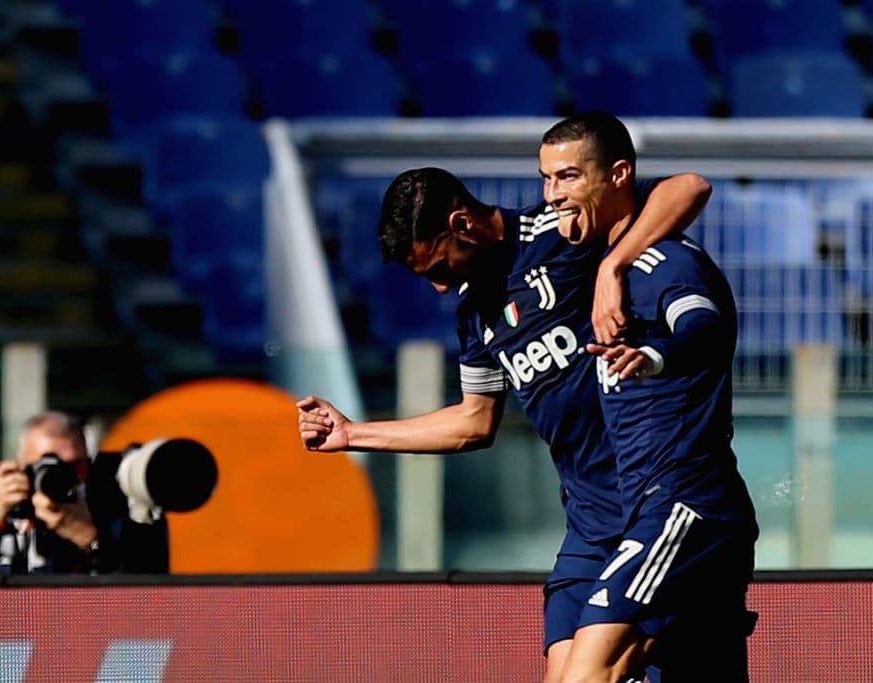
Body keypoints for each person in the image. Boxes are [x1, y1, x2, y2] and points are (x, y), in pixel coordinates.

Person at [297, 163, 711, 682]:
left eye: (438, 269)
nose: (441, 289)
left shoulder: (560, 233)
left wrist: (612, 267)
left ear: (461, 224)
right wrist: (354, 433)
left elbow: (689, 187)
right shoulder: (475, 312)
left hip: (649, 508)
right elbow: (474, 422)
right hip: (587, 522)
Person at [538, 112, 759, 683]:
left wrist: (656, 355)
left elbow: (703, 327)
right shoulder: (593, 263)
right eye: (546, 179)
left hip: (686, 505)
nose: (552, 195)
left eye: (567, 178)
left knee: (589, 673)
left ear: (616, 176)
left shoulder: (663, 262)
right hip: (645, 510)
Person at [0, 410, 168, 575]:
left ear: (88, 464)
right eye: (47, 466)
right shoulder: (2, 514)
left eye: (74, 466)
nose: (61, 476)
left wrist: (91, 539)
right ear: (21, 467)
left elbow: (147, 600)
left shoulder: (122, 511)